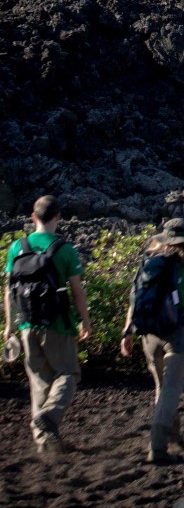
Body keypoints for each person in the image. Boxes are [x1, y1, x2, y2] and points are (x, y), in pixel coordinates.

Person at [120, 218, 184, 464]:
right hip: (179, 335)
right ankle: (157, 444)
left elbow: (135, 300)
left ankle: (174, 435)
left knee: (162, 387)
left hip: (149, 335)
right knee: (172, 388)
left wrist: (127, 332)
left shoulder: (148, 264)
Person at [3, 194, 91, 457]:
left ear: (33, 217)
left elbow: (9, 291)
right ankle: (50, 416)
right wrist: (85, 320)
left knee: (39, 381)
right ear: (58, 217)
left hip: (26, 324)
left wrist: (10, 326)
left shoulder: (17, 247)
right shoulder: (64, 249)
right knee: (68, 374)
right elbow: (77, 291)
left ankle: (45, 444)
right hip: (58, 325)